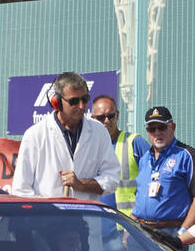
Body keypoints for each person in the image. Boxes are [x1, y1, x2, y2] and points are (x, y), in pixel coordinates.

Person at [12, 72, 119, 201]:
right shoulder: (35, 135)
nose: (81, 106)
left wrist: (81, 185)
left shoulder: (99, 131)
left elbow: (112, 177)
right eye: (74, 101)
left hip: (87, 217)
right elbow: (21, 190)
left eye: (85, 99)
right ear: (56, 102)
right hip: (47, 219)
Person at [131, 106, 195, 251]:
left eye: (162, 127)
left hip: (169, 233)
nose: (157, 133)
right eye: (151, 129)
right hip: (140, 233)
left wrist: (182, 233)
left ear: (172, 127)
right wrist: (130, 228)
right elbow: (141, 195)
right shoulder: (144, 159)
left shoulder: (188, 156)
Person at [91, 95, 143, 214]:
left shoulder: (134, 142)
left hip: (128, 225)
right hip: (97, 224)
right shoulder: (87, 147)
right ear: (92, 118)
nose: (106, 121)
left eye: (111, 116)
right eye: (100, 117)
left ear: (117, 115)